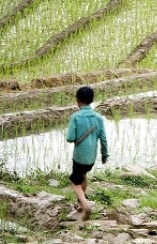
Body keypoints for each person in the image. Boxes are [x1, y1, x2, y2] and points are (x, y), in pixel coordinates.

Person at [66, 85, 108, 220]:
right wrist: (104, 155)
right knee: (83, 175)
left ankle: (85, 204)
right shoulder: (98, 117)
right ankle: (80, 203)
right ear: (92, 100)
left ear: (77, 100)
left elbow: (70, 138)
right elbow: (103, 138)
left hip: (79, 157)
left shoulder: (76, 117)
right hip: (91, 157)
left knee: (75, 181)